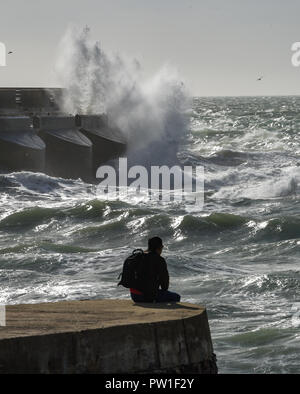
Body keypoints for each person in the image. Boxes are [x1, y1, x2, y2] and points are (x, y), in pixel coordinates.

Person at [130, 237, 181, 303]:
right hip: (147, 296)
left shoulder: (138, 257)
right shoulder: (159, 260)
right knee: (176, 297)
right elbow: (164, 282)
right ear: (160, 247)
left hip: (134, 295)